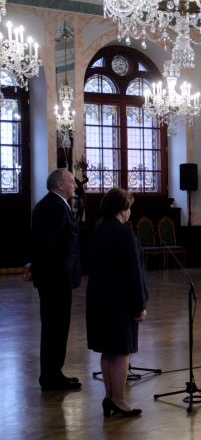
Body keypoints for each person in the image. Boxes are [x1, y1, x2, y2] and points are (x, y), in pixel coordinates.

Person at [86, 188, 148, 417]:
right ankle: (120, 400)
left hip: (99, 298)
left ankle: (110, 397)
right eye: (129, 207)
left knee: (108, 351)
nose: (130, 211)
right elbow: (134, 273)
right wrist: (140, 304)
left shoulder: (98, 229)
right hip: (121, 302)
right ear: (123, 209)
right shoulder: (124, 234)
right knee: (121, 351)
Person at [31, 169, 82, 391]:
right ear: (60, 184)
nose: (75, 185)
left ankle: (53, 373)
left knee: (56, 327)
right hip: (56, 279)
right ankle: (51, 377)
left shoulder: (52, 204)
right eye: (72, 181)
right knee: (56, 328)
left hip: (54, 278)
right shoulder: (54, 207)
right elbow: (49, 245)